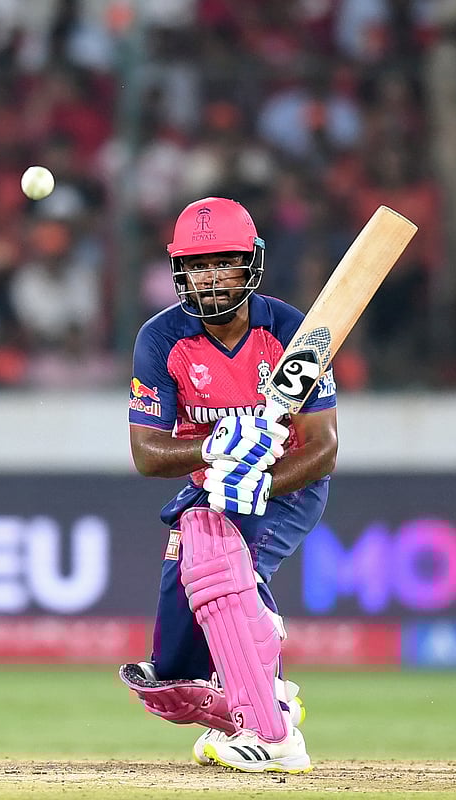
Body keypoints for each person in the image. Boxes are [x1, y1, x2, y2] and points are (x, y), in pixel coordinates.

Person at [119, 197, 338, 774]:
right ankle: (263, 699)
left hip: (288, 484)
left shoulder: (293, 332)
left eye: (224, 262)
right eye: (197, 265)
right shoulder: (162, 339)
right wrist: (218, 450)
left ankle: (272, 733)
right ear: (179, 272)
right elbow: (148, 454)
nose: (210, 277)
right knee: (171, 675)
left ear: (250, 263)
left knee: (226, 563)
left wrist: (258, 484)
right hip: (209, 488)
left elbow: (323, 449)